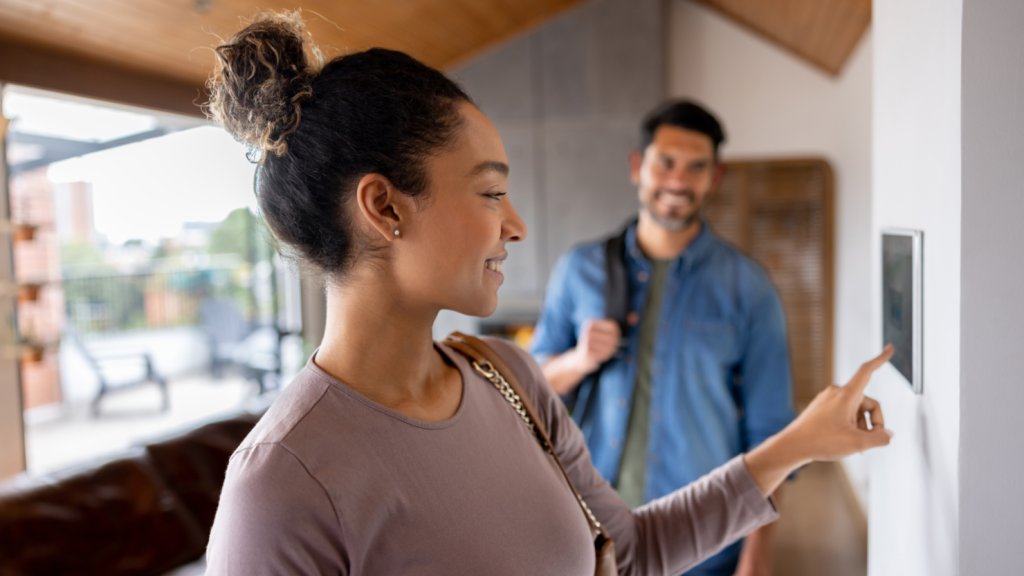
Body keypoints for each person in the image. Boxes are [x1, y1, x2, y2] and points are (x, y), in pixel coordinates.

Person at [202, 12, 894, 575]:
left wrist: (800, 442)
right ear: (385, 208)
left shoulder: (510, 376)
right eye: (491, 191)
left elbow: (635, 551)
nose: (516, 223)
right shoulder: (281, 487)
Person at [530, 100, 794, 575]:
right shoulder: (579, 269)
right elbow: (530, 391)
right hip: (590, 536)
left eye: (696, 168)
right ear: (638, 167)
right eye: (665, 162)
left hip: (706, 547)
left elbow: (771, 436)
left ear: (714, 178)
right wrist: (578, 360)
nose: (678, 180)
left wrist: (757, 559)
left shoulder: (750, 289)